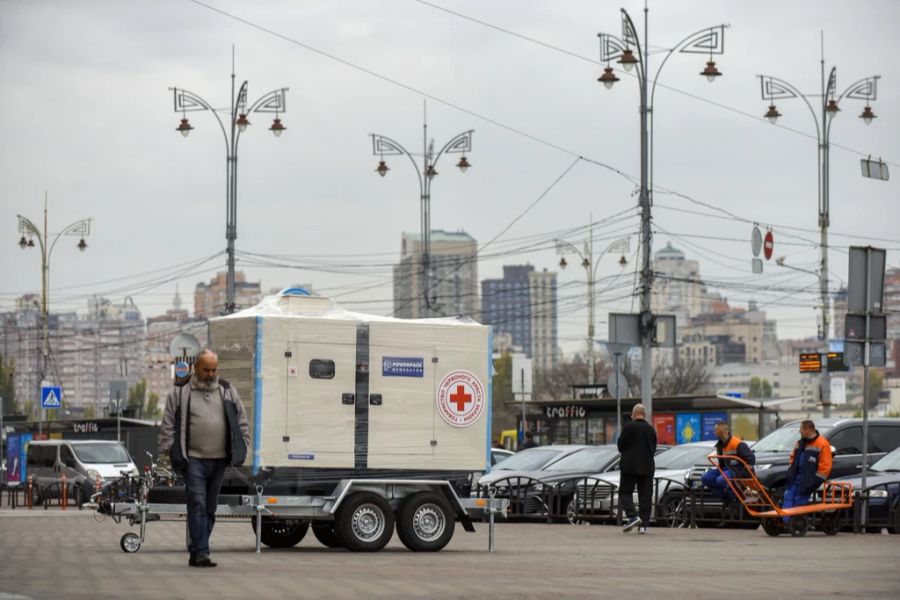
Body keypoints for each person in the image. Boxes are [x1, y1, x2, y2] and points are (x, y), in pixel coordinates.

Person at [159, 349, 251, 567]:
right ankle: (202, 551)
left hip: (219, 461)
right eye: (206, 369)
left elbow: (242, 421)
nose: (211, 373)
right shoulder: (180, 392)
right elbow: (168, 426)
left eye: (214, 369)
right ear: (195, 368)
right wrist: (169, 453)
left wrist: (242, 445)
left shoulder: (227, 390)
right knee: (197, 504)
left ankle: (196, 550)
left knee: (210, 507)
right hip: (193, 460)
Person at [781, 419, 832, 522]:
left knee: (799, 500)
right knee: (788, 496)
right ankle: (786, 522)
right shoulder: (800, 443)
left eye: (801, 429)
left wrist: (813, 482)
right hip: (796, 479)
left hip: (808, 480)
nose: (799, 431)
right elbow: (793, 459)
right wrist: (790, 473)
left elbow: (825, 467)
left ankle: (794, 523)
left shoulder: (822, 444)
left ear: (808, 429)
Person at [617, 404, 657, 534]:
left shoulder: (629, 427)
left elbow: (620, 446)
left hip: (629, 466)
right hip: (647, 466)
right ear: (644, 415)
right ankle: (643, 525)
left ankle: (632, 516)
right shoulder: (651, 429)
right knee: (645, 496)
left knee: (625, 492)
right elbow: (653, 449)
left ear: (634, 415)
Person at [701, 421, 756, 502]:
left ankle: (735, 498)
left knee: (721, 480)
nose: (714, 432)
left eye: (715, 430)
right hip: (726, 469)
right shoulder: (720, 445)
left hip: (737, 470)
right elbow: (722, 463)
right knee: (706, 478)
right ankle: (726, 498)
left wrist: (749, 466)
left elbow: (750, 457)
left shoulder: (737, 443)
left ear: (721, 430)